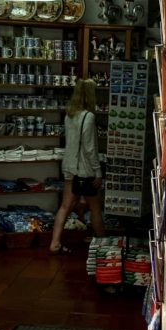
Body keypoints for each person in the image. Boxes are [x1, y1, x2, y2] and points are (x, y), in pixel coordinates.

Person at [49, 78, 105, 254]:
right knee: (95, 207)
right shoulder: (88, 117)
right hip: (85, 169)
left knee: (65, 206)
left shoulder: (69, 115)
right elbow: (89, 149)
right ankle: (104, 242)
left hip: (69, 166)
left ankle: (55, 243)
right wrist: (98, 172)